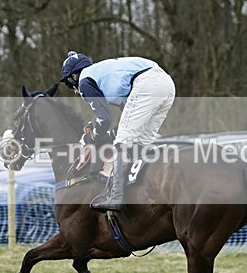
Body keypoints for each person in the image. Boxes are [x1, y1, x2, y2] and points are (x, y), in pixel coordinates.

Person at [60, 51, 176, 212]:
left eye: (69, 84)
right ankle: (142, 192)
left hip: (146, 83)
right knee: (140, 142)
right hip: (167, 84)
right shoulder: (106, 77)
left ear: (74, 76)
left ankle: (116, 197)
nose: (74, 91)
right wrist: (105, 136)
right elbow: (124, 122)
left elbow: (104, 119)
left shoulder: (85, 82)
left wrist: (91, 137)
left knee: (123, 143)